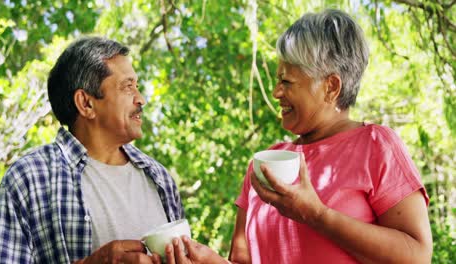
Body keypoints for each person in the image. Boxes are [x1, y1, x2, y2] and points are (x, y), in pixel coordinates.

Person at [161, 9, 433, 264]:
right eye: (277, 80)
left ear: (331, 87)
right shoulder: (266, 160)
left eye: (287, 81)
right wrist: (209, 260)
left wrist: (316, 215)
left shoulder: (376, 145)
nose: (277, 92)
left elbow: (418, 255)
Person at [0, 37, 184, 263]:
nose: (141, 99)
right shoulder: (28, 179)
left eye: (137, 86)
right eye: (127, 87)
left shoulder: (159, 178)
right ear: (86, 104)